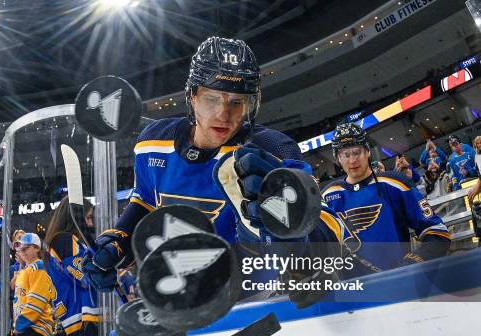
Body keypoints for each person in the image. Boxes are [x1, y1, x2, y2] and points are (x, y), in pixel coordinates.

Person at [82, 36, 345, 307]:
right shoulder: (152, 143)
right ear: (192, 96)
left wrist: (292, 228)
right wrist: (118, 242)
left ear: (250, 105)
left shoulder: (274, 150)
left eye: (236, 102)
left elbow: (331, 232)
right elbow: (146, 201)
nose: (223, 114)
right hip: (180, 303)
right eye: (212, 99)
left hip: (256, 304)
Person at [322, 123, 451, 271]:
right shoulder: (327, 198)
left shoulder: (394, 185)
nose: (352, 160)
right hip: (354, 291)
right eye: (345, 155)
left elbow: (437, 232)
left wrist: (412, 266)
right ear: (338, 158)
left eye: (357, 152)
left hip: (398, 287)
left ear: (367, 151)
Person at [43, 197, 100, 336]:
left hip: (75, 319)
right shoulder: (63, 240)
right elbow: (86, 278)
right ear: (73, 217)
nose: (90, 224)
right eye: (87, 218)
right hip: (81, 319)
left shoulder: (63, 240)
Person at [12, 233, 56, 336]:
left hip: (36, 329)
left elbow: (37, 301)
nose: (22, 251)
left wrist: (20, 324)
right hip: (26, 328)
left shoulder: (39, 267)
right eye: (20, 249)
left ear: (37, 248)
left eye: (26, 248)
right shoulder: (25, 271)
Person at [467, 135, 481, 203]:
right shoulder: (477, 156)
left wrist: (478, 185)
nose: (479, 144)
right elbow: (478, 171)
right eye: (478, 143)